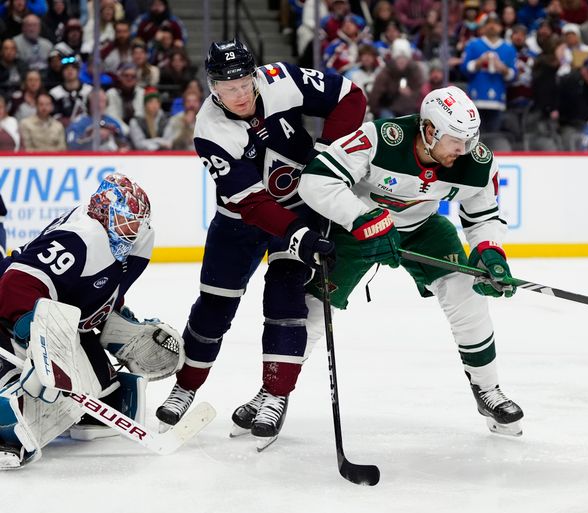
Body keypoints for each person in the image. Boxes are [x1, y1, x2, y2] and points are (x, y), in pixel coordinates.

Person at [154, 38, 366, 447]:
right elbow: (252, 203)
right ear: (212, 86)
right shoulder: (210, 129)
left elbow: (349, 97)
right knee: (213, 307)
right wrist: (299, 235)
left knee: (286, 299)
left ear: (255, 75)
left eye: (242, 83)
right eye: (225, 86)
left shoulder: (281, 79)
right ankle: (186, 386)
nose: (237, 94)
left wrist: (326, 160)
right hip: (240, 221)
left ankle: (275, 394)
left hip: (302, 208)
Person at [288, 86, 524, 437]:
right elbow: (316, 180)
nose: (464, 150)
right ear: (428, 131)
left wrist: (489, 250)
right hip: (361, 229)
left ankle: (487, 389)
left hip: (422, 228)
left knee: (466, 292)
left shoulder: (476, 162)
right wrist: (361, 218)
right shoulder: (380, 139)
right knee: (312, 308)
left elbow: (482, 216)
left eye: (470, 139)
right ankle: (274, 395)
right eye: (455, 140)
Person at [0, 173, 165, 469]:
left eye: (138, 220)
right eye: (127, 219)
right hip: (9, 309)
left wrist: (118, 318)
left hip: (57, 317)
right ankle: (5, 432)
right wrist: (31, 330)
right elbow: (15, 284)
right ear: (104, 213)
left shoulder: (131, 242)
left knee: (105, 391)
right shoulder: (80, 238)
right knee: (26, 378)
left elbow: (97, 290)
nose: (135, 228)